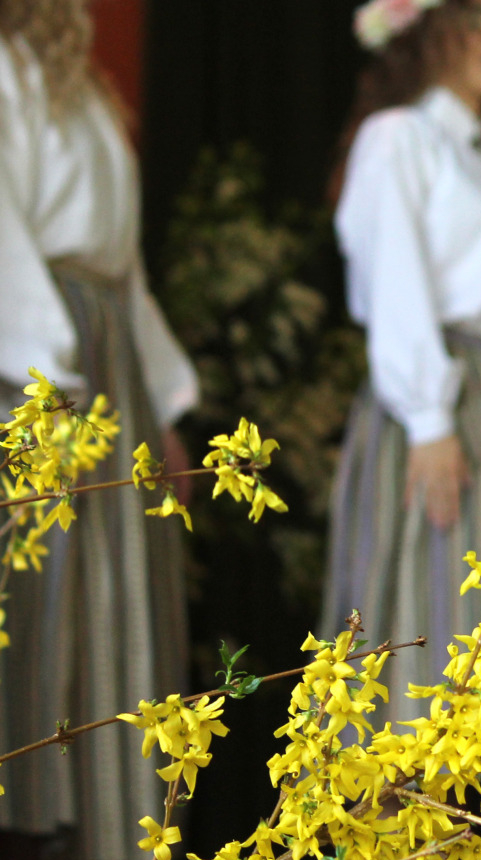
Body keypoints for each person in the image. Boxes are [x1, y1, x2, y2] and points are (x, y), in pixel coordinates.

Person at [0, 1, 199, 857]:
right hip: (48, 364)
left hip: (106, 353)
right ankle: (35, 823)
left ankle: (104, 825)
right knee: (46, 602)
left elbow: (126, 271)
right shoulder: (6, 68)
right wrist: (47, 381)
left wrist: (166, 401)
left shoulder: (82, 88)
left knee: (114, 602)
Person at [322, 0, 481, 727]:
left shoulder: (471, 149)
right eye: (477, 17)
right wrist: (428, 418)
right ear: (426, 31)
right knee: (437, 601)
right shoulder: (400, 134)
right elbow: (394, 273)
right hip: (439, 392)